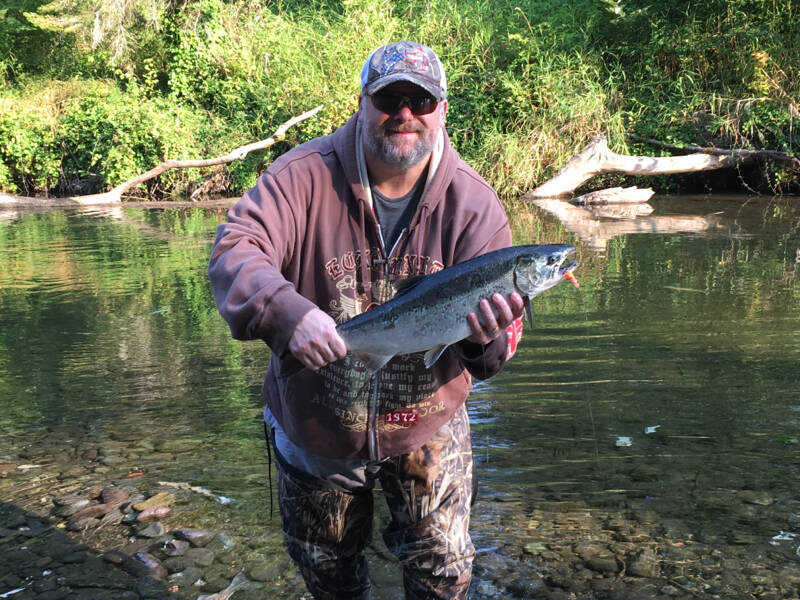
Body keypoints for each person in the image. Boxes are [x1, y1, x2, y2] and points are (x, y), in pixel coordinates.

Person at [208, 40, 524, 600]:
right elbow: (236, 250)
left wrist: (490, 339)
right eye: (389, 98)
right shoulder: (300, 179)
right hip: (317, 421)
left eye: (421, 101)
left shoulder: (474, 206)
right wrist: (286, 314)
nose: (404, 114)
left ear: (443, 109)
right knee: (329, 580)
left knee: (444, 576)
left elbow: (494, 359)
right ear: (362, 104)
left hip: (429, 422)